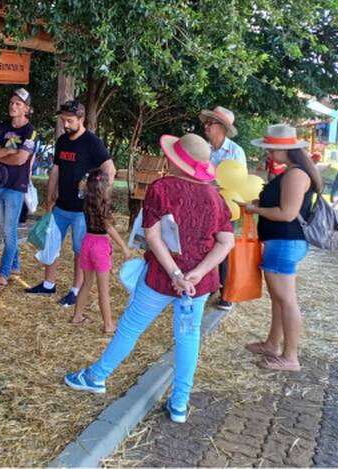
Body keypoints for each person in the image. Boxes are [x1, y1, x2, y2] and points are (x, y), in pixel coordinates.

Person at [64, 133, 234, 425]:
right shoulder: (215, 197)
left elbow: (152, 235)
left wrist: (175, 274)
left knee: (130, 327)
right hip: (198, 284)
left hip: (160, 276)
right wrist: (196, 273)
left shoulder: (162, 188)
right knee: (188, 336)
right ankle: (180, 401)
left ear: (176, 160)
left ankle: (96, 376)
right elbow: (226, 241)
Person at [243, 124, 321, 372]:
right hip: (282, 242)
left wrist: (255, 210)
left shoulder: (295, 175)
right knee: (279, 299)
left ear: (282, 149)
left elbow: (287, 213)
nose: (267, 151)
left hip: (285, 242)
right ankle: (273, 344)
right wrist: (259, 204)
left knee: (286, 300)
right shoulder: (292, 172)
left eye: (269, 147)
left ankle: (290, 356)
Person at [25, 100, 115, 307]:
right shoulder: (63, 141)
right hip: (60, 207)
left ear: (81, 119)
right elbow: (55, 169)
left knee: (79, 250)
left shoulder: (92, 142)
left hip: (81, 211)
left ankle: (76, 290)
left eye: (69, 120)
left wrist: (100, 197)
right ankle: (48, 284)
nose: (65, 124)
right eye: (63, 120)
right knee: (51, 245)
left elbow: (110, 169)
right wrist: (49, 198)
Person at [0, 88, 37, 290]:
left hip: (16, 186)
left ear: (27, 109)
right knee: (8, 230)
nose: (13, 106)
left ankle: (3, 274)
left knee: (9, 231)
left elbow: (21, 159)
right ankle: (14, 265)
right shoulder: (2, 126)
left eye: (18, 104)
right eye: (12, 103)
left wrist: (1, 155)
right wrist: (7, 151)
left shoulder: (30, 131)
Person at [68, 169, 131, 333]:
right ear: (105, 186)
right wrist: (124, 247)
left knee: (86, 283)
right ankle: (109, 325)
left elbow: (82, 187)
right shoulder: (105, 205)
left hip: (87, 242)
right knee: (103, 289)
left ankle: (77, 317)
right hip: (100, 246)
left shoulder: (86, 202)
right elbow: (109, 228)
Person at [200, 105, 246, 312]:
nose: (206, 126)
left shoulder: (236, 152)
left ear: (223, 128)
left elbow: (240, 183)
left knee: (224, 249)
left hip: (227, 208)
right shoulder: (204, 150)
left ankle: (226, 293)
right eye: (206, 122)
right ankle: (208, 285)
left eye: (211, 123)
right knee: (204, 246)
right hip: (204, 206)